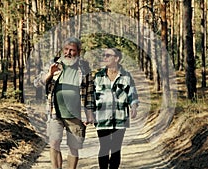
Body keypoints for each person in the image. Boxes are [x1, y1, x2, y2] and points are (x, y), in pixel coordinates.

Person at [34, 37, 95, 169]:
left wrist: (89, 114)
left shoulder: (84, 68)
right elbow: (37, 83)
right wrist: (49, 74)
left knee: (73, 147)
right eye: (66, 49)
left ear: (79, 51)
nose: (68, 52)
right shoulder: (54, 63)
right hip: (55, 111)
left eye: (72, 50)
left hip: (76, 114)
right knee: (54, 142)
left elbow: (90, 92)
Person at [93, 48, 139, 169]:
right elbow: (91, 97)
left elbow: (132, 94)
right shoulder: (98, 76)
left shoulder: (126, 76)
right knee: (104, 147)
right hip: (102, 118)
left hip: (120, 118)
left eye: (108, 55)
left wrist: (133, 106)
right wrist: (90, 114)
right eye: (104, 55)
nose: (105, 57)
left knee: (115, 148)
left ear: (117, 58)